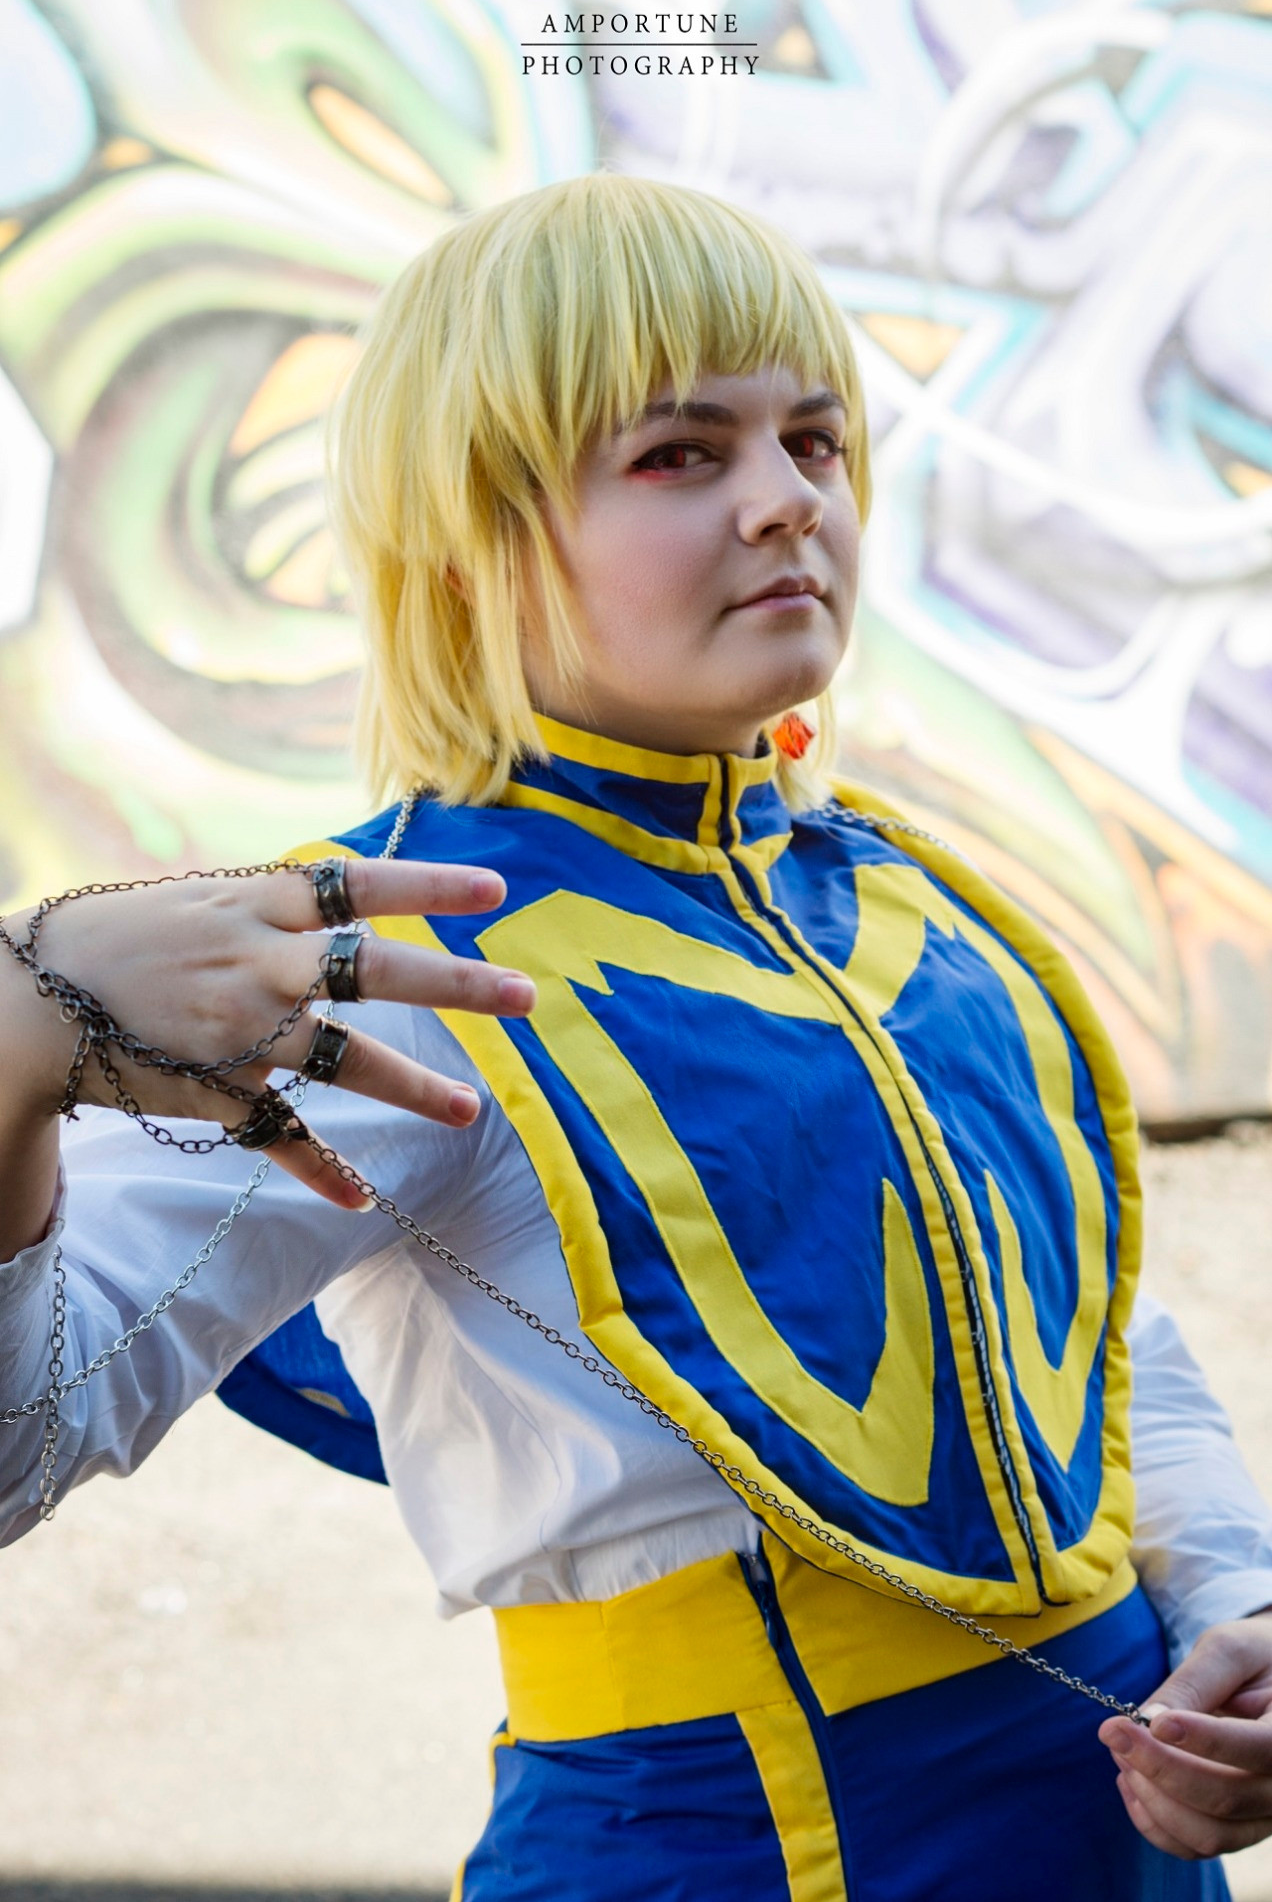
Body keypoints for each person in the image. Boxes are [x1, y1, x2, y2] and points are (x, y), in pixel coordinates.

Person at [2, 173, 1271, 1901]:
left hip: (1127, 1839)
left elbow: (1089, 1344)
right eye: (682, 455)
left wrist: (1234, 1610)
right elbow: (24, 1433)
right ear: (471, 534)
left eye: (816, 442)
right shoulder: (377, 966)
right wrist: (18, 1045)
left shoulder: (912, 904)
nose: (785, 504)